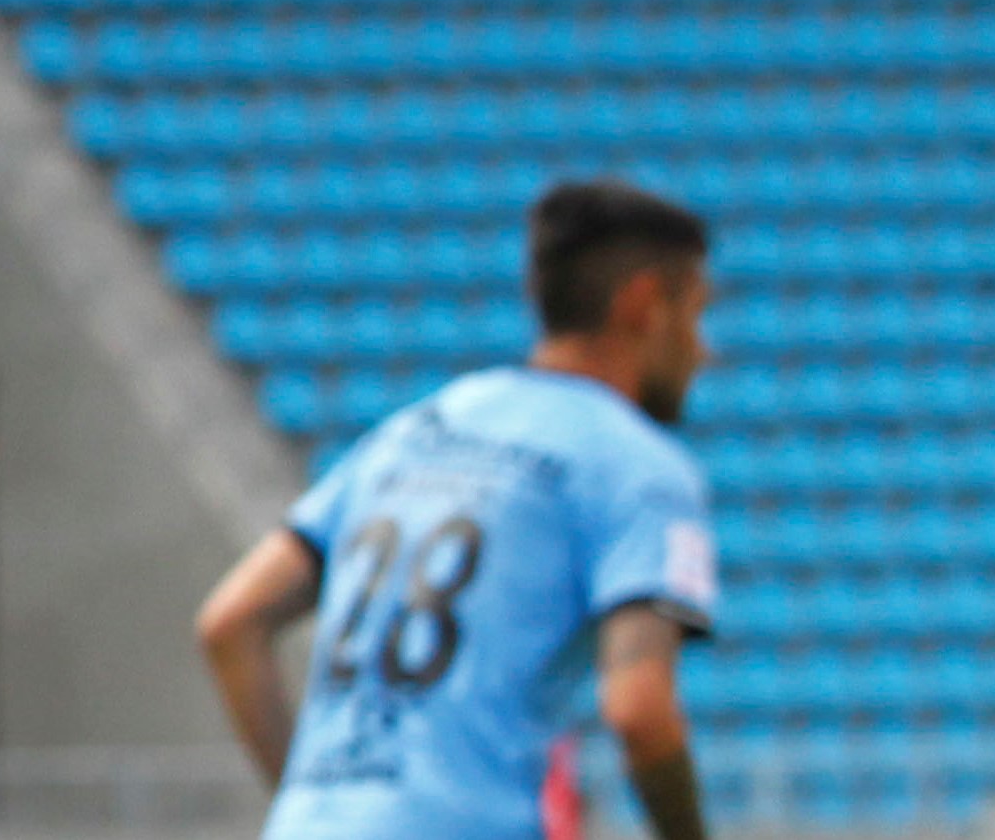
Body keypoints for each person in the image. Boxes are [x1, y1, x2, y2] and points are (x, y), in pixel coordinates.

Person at [194, 182, 722, 840]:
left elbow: (230, 621)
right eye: (697, 313)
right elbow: (638, 711)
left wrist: (310, 805)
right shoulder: (637, 466)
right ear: (643, 305)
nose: (705, 350)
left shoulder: (412, 431)